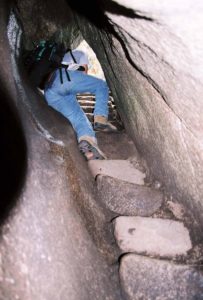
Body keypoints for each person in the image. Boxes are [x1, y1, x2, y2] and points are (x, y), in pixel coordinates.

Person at [44, 48, 117, 160]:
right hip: (65, 78)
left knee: (79, 118)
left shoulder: (66, 58)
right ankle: (101, 120)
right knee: (101, 86)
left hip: (50, 92)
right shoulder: (81, 54)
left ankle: (88, 146)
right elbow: (83, 69)